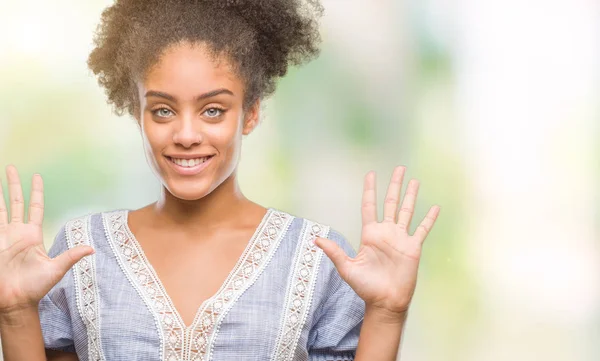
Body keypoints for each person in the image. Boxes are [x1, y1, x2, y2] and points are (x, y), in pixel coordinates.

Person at [0, 0, 440, 360]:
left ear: (250, 113)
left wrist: (387, 312)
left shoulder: (319, 258)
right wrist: (16, 310)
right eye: (163, 110)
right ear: (137, 113)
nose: (187, 135)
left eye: (213, 109)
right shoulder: (82, 252)